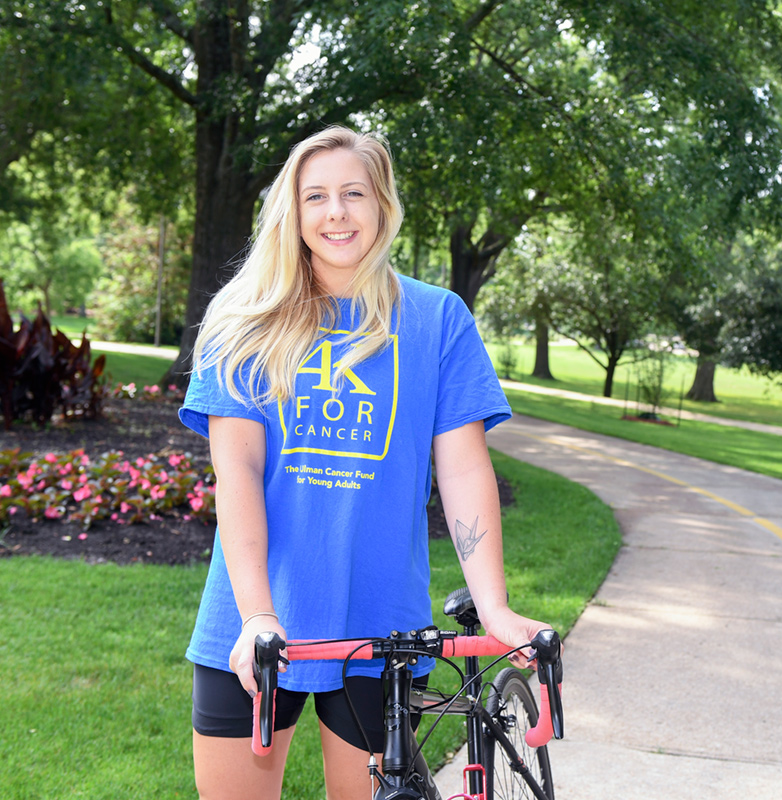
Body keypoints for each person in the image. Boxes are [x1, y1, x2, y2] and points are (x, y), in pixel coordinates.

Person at [178, 126, 550, 800]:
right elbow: (237, 477)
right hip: (255, 621)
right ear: (292, 211)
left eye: (354, 192)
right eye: (315, 195)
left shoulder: (438, 319)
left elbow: (463, 471)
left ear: (383, 204)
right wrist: (259, 615)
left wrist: (493, 607)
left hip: (384, 627)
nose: (336, 212)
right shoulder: (242, 319)